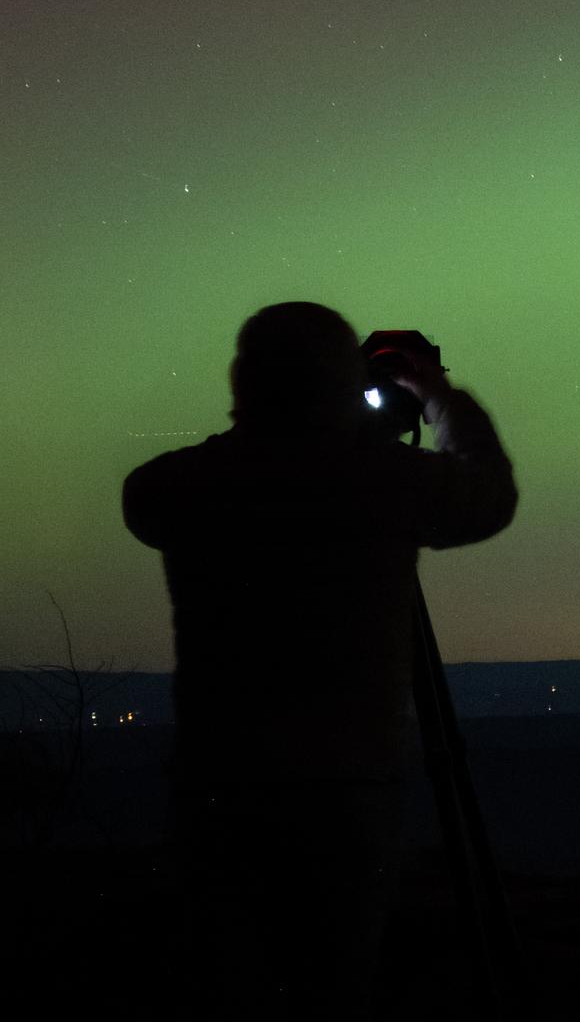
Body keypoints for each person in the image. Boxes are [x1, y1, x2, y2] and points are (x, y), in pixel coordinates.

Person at [124, 301, 516, 1017]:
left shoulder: (179, 486)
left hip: (219, 786)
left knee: (229, 988)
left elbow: (152, 497)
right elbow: (489, 494)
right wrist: (435, 394)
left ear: (242, 380)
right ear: (341, 381)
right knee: (332, 986)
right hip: (346, 789)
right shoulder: (386, 483)